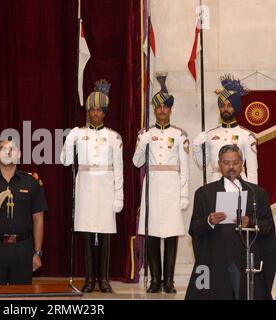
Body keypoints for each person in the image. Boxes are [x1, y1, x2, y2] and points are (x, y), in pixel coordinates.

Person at [186, 144, 276, 300]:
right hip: (216, 260)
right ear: (219, 164)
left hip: (247, 259)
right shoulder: (204, 193)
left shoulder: (257, 193)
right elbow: (194, 228)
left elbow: (269, 227)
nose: (231, 167)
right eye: (226, 163)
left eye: (235, 162)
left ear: (242, 163)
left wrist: (251, 222)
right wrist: (209, 221)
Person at [60, 80, 123, 293]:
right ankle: (88, 279)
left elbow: (119, 169)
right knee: (86, 235)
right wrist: (69, 142)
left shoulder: (114, 137)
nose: (95, 113)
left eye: (99, 110)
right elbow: (66, 162)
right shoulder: (78, 133)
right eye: (92, 109)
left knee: (105, 235)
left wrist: (119, 196)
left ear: (104, 113)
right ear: (88, 111)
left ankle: (103, 279)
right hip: (85, 188)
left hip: (106, 188)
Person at [132, 87, 190, 293]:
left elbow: (184, 167)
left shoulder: (179, 135)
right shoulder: (146, 134)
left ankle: (169, 281)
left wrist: (184, 194)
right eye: (158, 107)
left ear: (170, 110)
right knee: (152, 234)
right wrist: (142, 144)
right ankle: (156, 279)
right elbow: (136, 162)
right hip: (153, 185)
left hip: (172, 187)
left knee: (172, 234)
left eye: (166, 106)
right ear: (154, 110)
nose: (162, 110)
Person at [0, 139, 48, 285]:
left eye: (12, 149)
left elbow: (38, 220)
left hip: (22, 248)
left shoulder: (31, 182)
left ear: (19, 154)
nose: (8, 152)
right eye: (3, 149)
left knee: (21, 296)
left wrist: (37, 253)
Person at [193, 74, 258, 184]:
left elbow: (252, 169)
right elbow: (201, 163)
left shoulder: (246, 135)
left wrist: (253, 193)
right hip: (215, 183)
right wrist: (196, 146)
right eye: (222, 105)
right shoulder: (210, 134)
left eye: (229, 105)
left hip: (239, 183)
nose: (225, 109)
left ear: (236, 108)